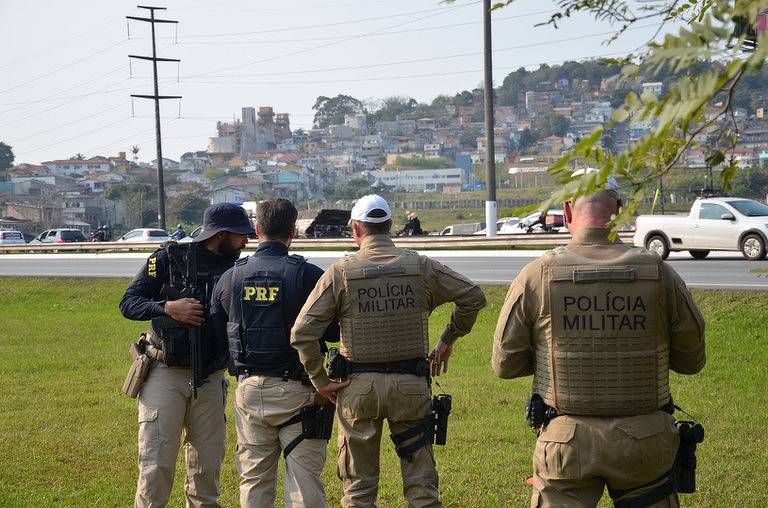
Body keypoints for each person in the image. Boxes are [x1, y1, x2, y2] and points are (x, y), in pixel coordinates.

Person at [491, 171, 706, 508]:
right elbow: (692, 361)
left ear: (566, 211)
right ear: (619, 210)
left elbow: (504, 363)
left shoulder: (537, 274)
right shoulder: (659, 273)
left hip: (565, 442)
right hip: (646, 441)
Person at [291, 194, 487, 508]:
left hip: (357, 388)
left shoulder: (341, 271)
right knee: (422, 489)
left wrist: (319, 380)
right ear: (391, 226)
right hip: (410, 386)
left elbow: (302, 332)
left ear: (356, 230)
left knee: (358, 492)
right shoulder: (420, 266)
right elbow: (473, 297)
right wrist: (447, 339)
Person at [119, 202, 255, 508]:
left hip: (210, 377)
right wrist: (168, 308)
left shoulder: (237, 269)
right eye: (240, 235)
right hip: (164, 373)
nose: (245, 241)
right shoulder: (167, 259)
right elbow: (129, 303)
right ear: (221, 234)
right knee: (156, 466)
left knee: (207, 468)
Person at [209, 198, 340, 507]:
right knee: (305, 484)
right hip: (301, 392)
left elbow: (219, 331)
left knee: (254, 482)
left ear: (256, 230)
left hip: (249, 390)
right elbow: (333, 331)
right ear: (293, 232)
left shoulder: (231, 277)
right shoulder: (309, 276)